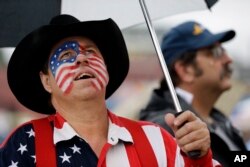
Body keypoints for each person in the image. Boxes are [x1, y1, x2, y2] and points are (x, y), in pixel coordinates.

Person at [0, 14, 220, 167]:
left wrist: (199, 158)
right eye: (66, 56)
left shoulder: (155, 139)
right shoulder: (24, 144)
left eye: (91, 52)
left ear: (105, 69)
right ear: (46, 81)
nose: (81, 58)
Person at [139, 21, 248, 166]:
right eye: (215, 53)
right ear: (185, 70)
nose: (228, 59)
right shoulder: (165, 130)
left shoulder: (218, 119)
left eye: (224, 51)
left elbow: (235, 160)